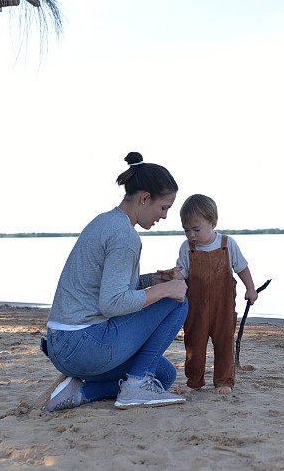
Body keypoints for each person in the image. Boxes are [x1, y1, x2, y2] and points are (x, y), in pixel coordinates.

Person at [42, 152, 189, 412]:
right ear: (145, 198)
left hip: (61, 347)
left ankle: (82, 392)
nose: (164, 216)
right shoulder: (125, 236)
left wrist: (152, 280)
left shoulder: (105, 222)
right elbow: (112, 303)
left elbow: (108, 287)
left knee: (165, 376)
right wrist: (166, 289)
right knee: (178, 302)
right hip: (82, 344)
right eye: (164, 207)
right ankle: (135, 386)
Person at [158, 194, 259, 395]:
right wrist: (174, 275)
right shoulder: (187, 248)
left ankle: (224, 381)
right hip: (195, 308)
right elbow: (182, 275)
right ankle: (194, 380)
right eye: (186, 230)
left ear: (212, 223)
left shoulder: (227, 244)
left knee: (224, 344)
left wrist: (250, 288)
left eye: (196, 229)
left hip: (224, 307)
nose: (191, 235)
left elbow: (242, 268)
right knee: (194, 345)